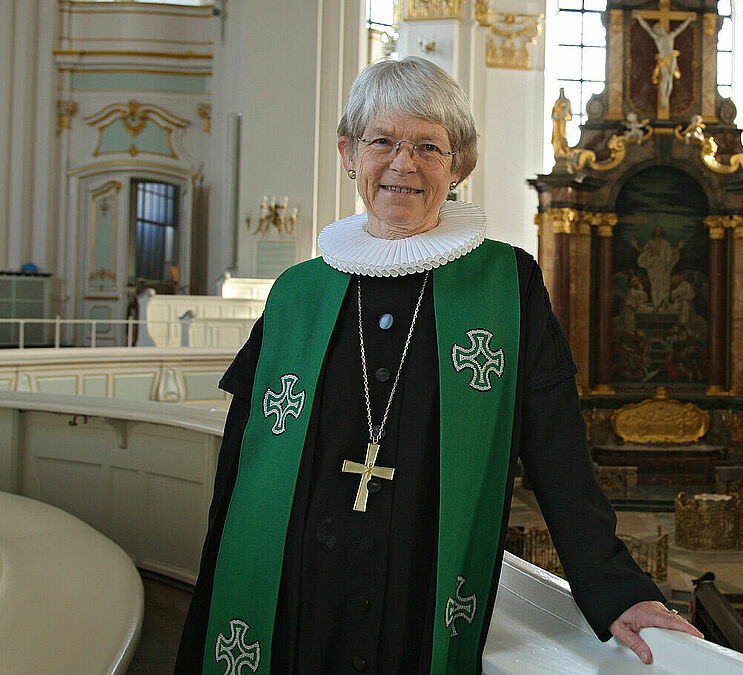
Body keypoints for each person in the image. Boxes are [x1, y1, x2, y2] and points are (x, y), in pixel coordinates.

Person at [175, 56, 700, 674]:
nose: (405, 163)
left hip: (422, 594)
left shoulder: (506, 283)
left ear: (460, 166)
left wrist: (616, 586)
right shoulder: (299, 292)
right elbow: (242, 464)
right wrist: (213, 598)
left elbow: (557, 446)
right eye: (382, 142)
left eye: (429, 145)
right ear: (348, 152)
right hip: (297, 592)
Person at [634, 13, 694, 110]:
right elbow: (647, 28)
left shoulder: (670, 36)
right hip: (663, 59)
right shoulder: (657, 38)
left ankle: (667, 96)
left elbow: (681, 28)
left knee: (670, 78)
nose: (660, 30)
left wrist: (689, 20)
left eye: (661, 28)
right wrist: (639, 17)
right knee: (665, 78)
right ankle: (664, 98)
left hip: (672, 58)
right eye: (658, 29)